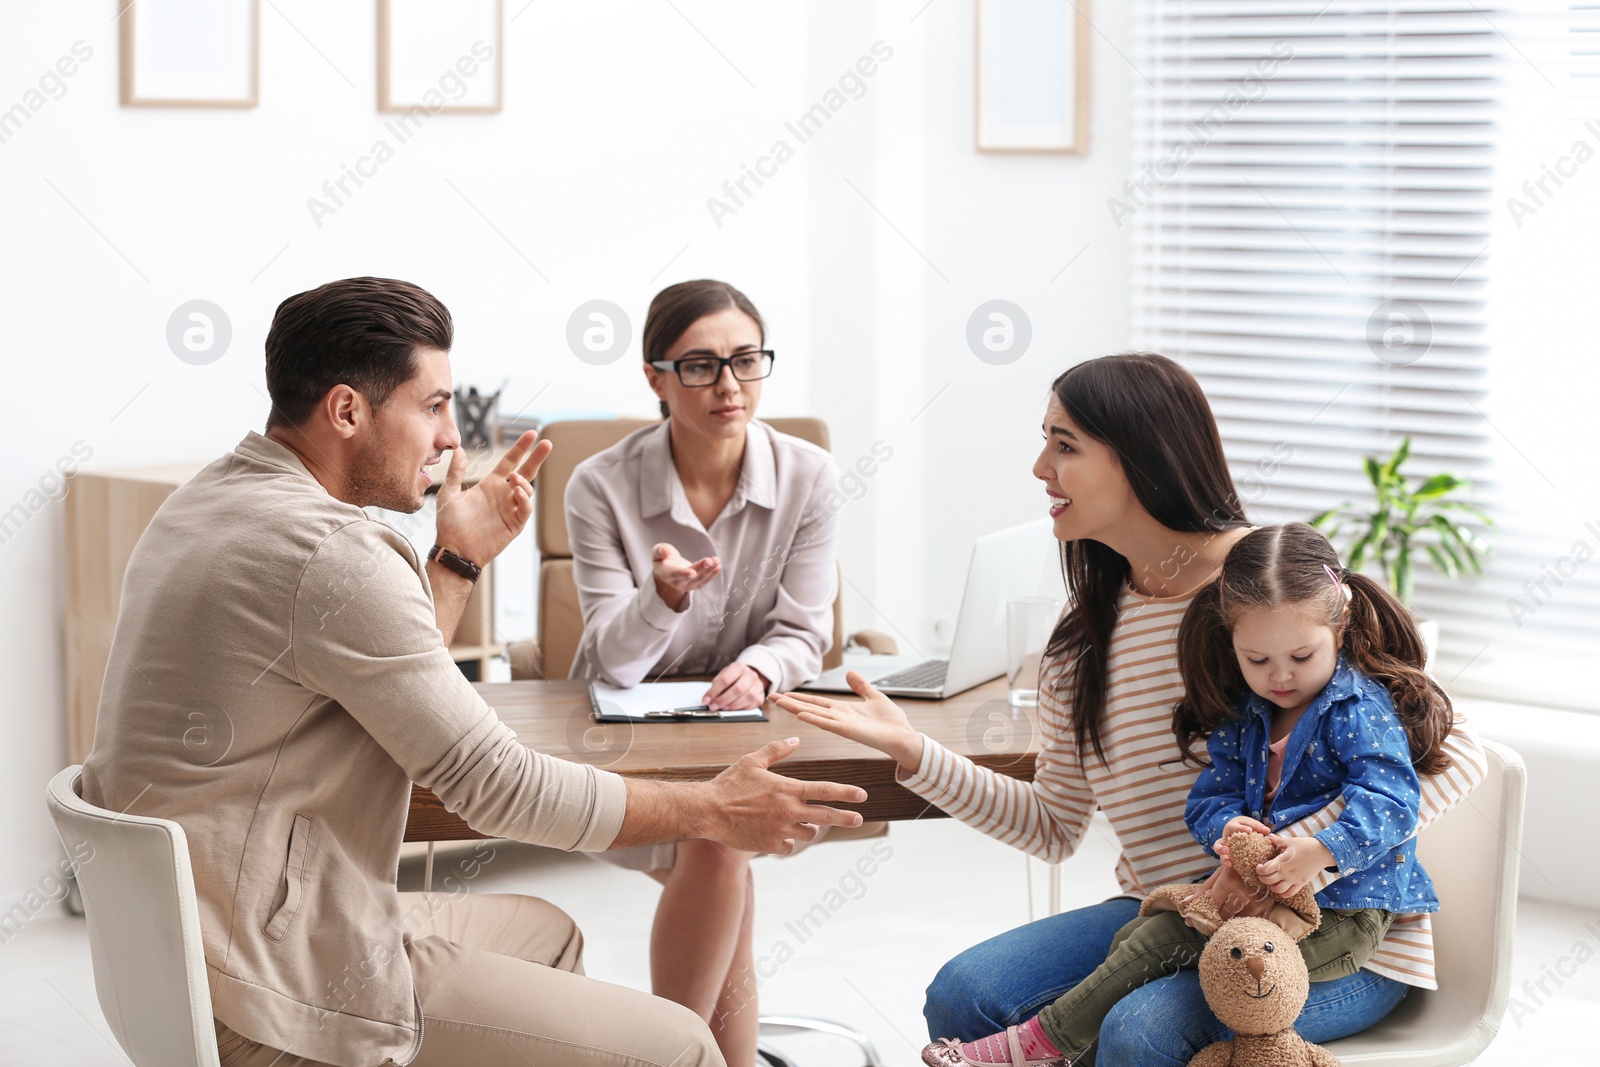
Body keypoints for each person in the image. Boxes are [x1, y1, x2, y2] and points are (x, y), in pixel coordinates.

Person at [78, 277, 867, 1067]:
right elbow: (495, 783)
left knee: (548, 934)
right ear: (348, 411)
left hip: (191, 947)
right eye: (433, 406)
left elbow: (387, 678)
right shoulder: (332, 551)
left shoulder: (205, 500)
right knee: (682, 1045)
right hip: (274, 988)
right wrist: (709, 808)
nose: (453, 437)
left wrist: (455, 562)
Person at [771, 352, 1487, 1067]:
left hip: (1334, 934)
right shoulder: (1080, 643)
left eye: (1064, 444)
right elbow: (1052, 824)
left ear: (1142, 457)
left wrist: (1298, 864)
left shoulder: (1267, 592)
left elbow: (1460, 758)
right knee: (966, 996)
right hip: (1177, 911)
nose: (1039, 467)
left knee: (1141, 1029)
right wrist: (911, 749)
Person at [919, 522, 1454, 1066]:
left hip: (1347, 914)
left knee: (1152, 980)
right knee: (1144, 936)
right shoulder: (1247, 714)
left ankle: (1041, 1043)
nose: (1281, 676)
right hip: (1262, 903)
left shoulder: (1359, 709)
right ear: (1233, 643)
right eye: (1258, 660)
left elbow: (1393, 800)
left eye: (1301, 656)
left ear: (1339, 629)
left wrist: (1321, 852)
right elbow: (1207, 798)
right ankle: (1043, 1044)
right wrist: (1225, 827)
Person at [563, 279, 841, 1066]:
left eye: (747, 360)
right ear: (655, 377)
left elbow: (804, 633)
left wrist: (757, 667)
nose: (728, 385)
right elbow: (612, 660)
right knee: (720, 841)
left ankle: (686, 1058)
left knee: (720, 843)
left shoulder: (809, 475)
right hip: (624, 742)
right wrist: (660, 597)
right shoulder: (600, 486)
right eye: (700, 365)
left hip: (751, 729)